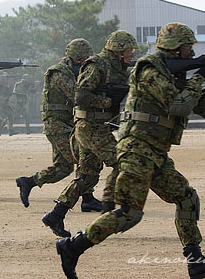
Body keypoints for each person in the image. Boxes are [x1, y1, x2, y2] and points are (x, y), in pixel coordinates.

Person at [55, 23, 205, 279]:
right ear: (174, 47)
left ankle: (195, 261)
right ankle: (72, 246)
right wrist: (201, 77)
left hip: (155, 152)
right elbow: (178, 105)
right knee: (129, 214)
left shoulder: (175, 74)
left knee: (187, 198)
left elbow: (204, 109)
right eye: (188, 48)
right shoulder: (149, 69)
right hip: (137, 151)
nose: (191, 53)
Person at [42, 30, 137, 238]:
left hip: (96, 126)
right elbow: (81, 95)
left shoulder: (117, 67)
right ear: (118, 51)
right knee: (123, 162)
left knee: (87, 177)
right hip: (90, 127)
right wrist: (108, 102)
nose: (131, 56)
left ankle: (55, 215)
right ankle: (112, 214)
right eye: (129, 52)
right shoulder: (97, 65)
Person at [16, 38, 101, 213]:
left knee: (62, 168)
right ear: (77, 59)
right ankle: (87, 199)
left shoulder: (72, 71)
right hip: (56, 125)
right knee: (84, 157)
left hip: (66, 124)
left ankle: (29, 182)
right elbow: (76, 95)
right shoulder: (59, 73)